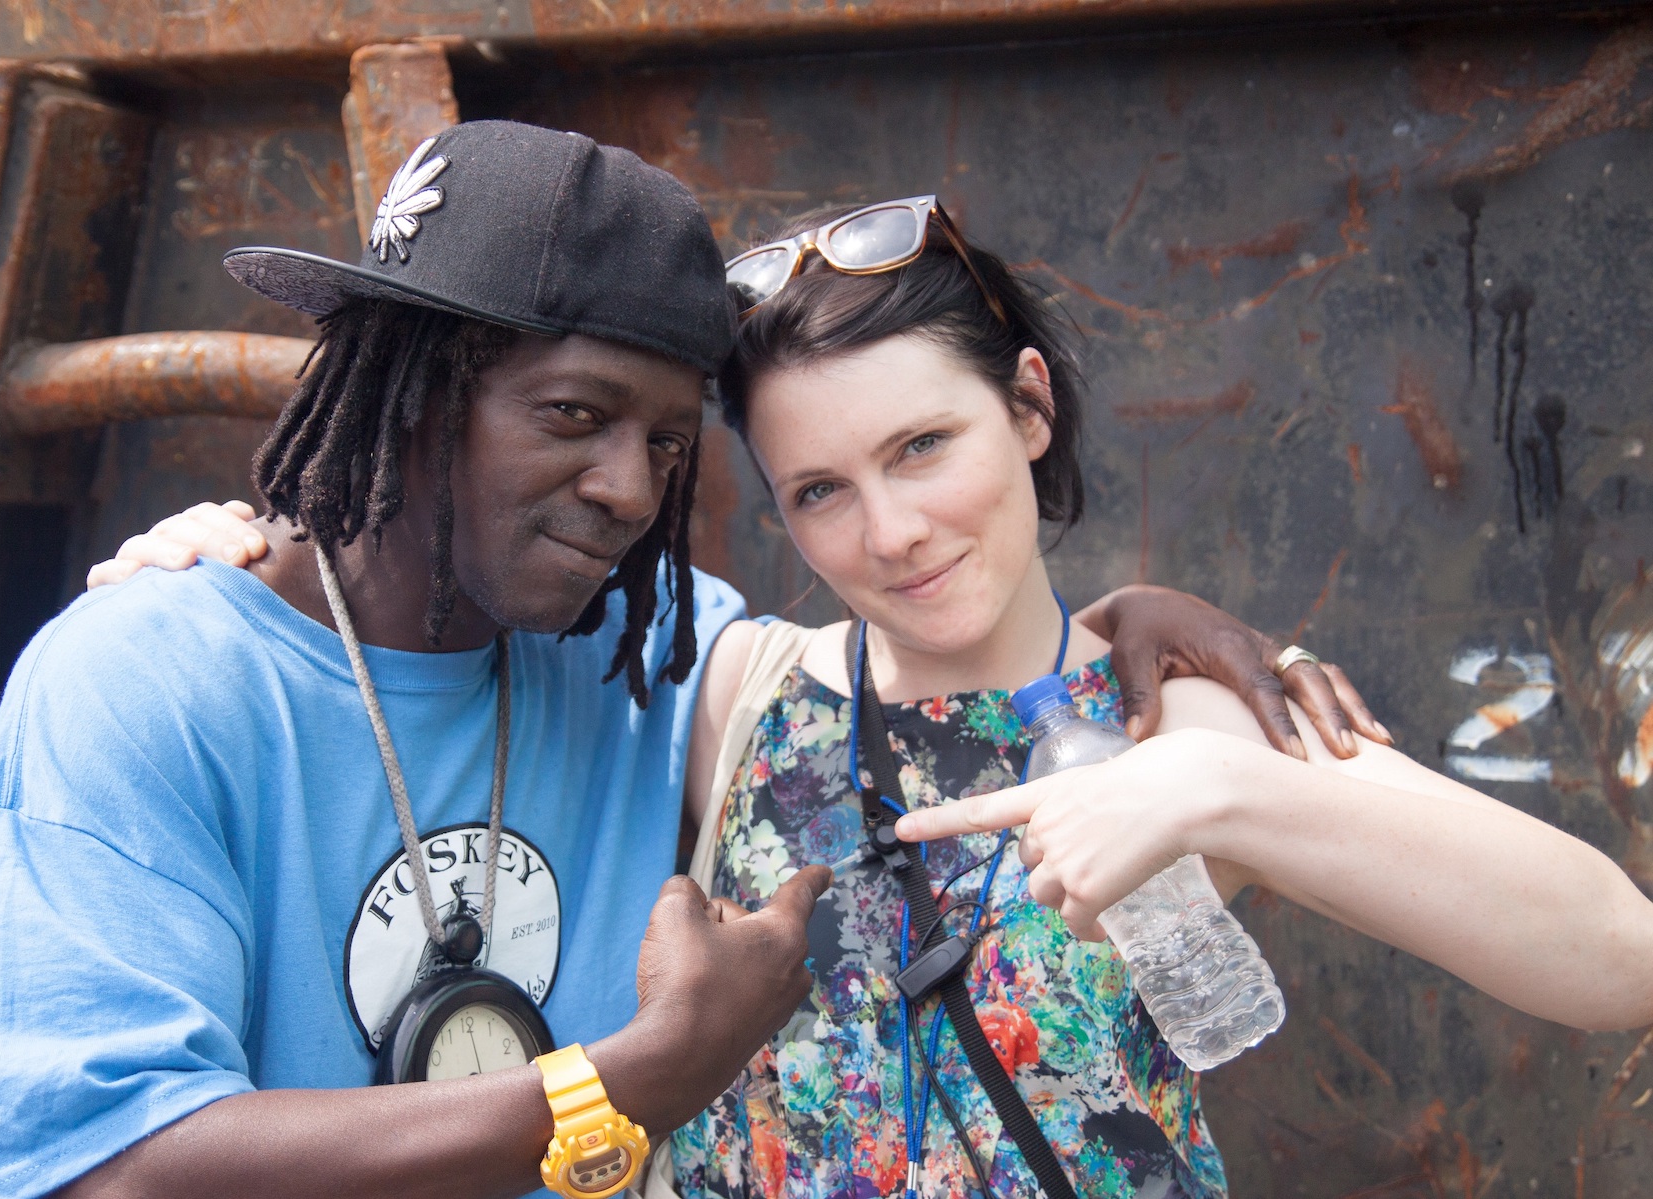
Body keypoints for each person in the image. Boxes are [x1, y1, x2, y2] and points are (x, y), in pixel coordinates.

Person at [0, 127, 1349, 1199]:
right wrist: (631, 1081)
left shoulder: (641, 654)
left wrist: (1118, 619)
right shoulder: (148, 679)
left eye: (662, 440)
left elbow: (907, 668)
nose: (628, 491)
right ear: (406, 394)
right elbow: (103, 1171)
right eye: (573, 414)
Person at [107, 193, 1653, 1199]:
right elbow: (406, 601)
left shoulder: (1183, 714)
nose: (893, 532)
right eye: (823, 491)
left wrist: (1216, 792)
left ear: (1028, 407)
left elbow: (1614, 962)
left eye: (925, 449)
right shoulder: (725, 689)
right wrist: (242, 547)